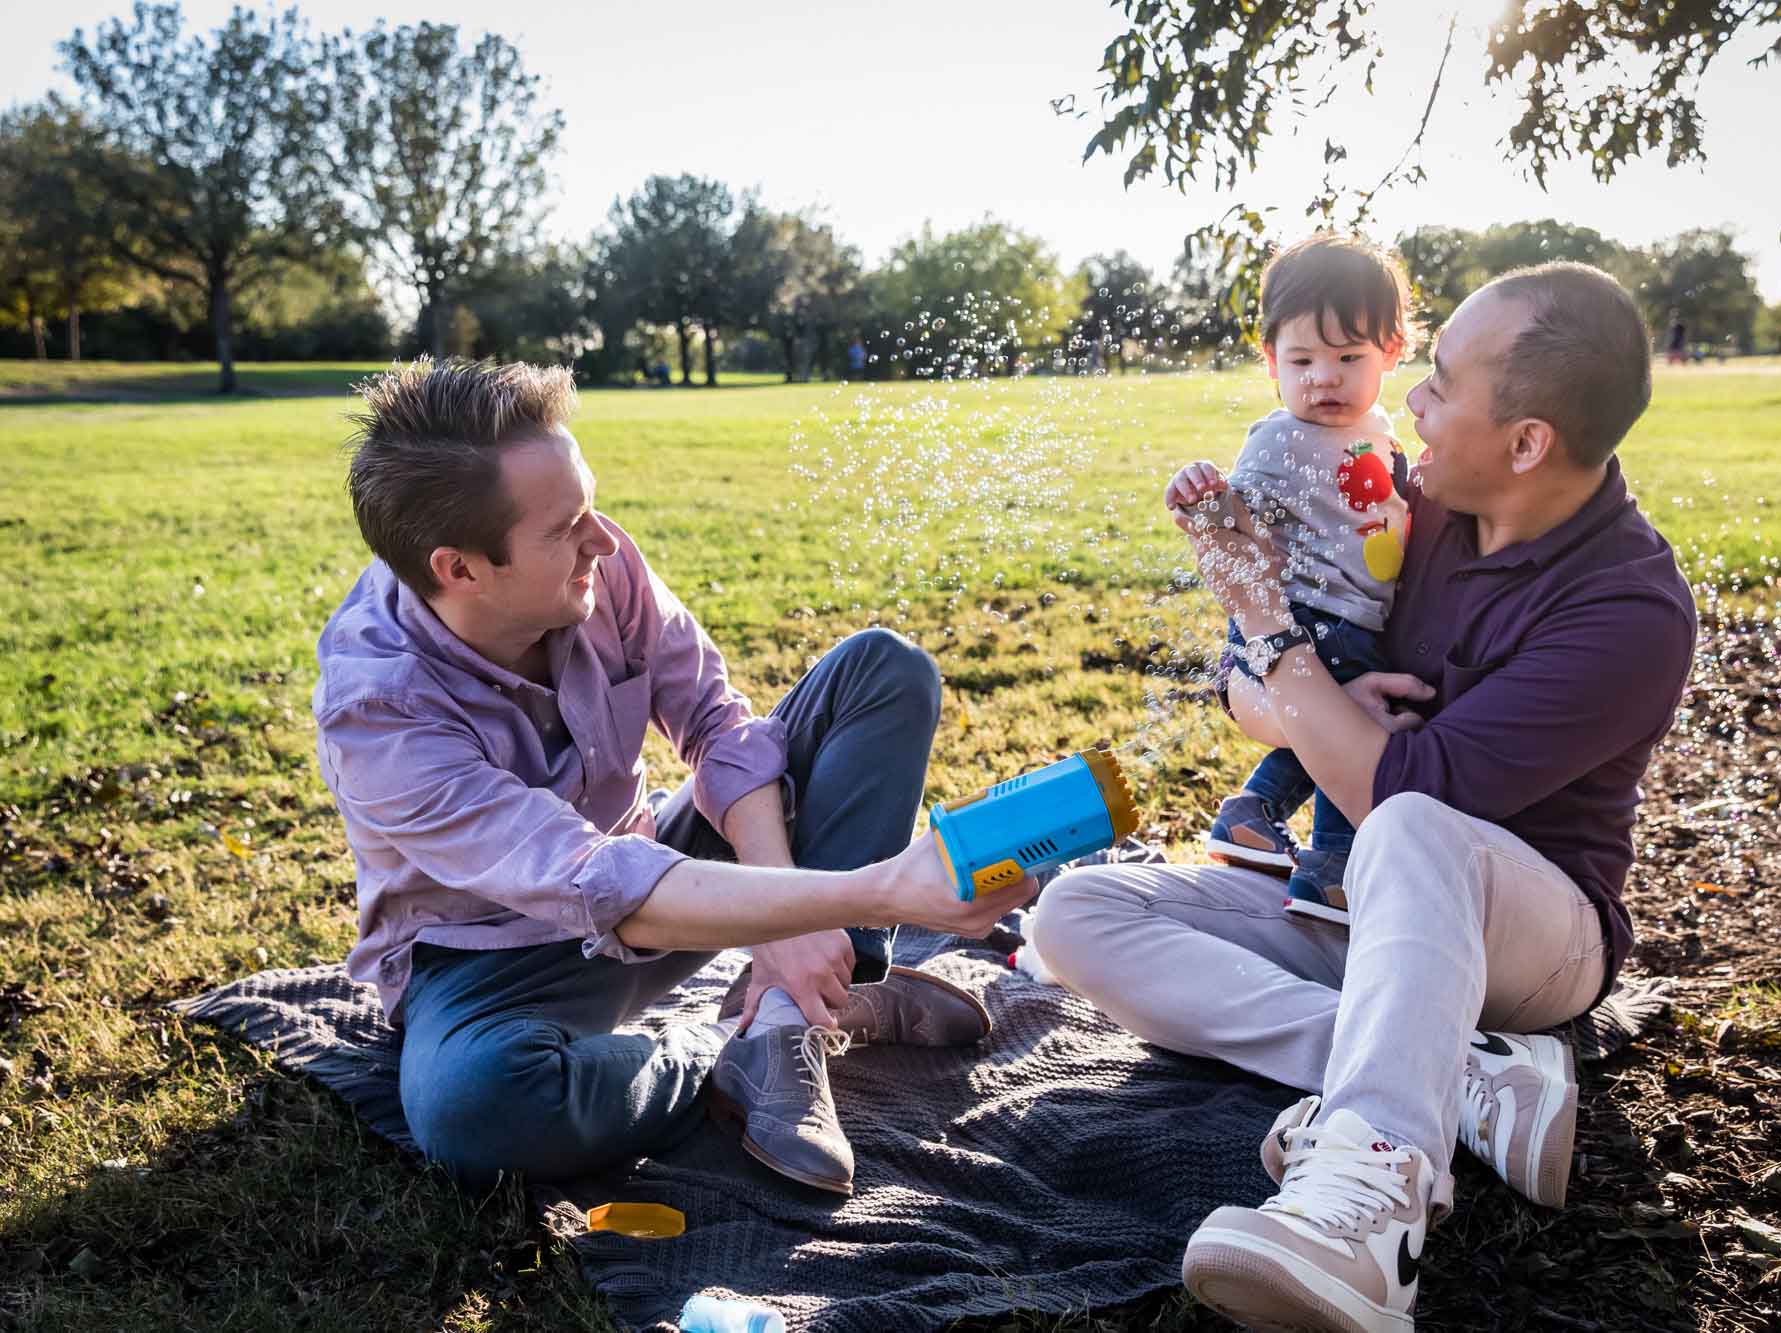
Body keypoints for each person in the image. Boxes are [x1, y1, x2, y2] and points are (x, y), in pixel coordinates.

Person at [1036, 263, 1695, 1331]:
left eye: (1437, 379)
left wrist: (1264, 623)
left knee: (1416, 827)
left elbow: (1392, 786)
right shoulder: (1411, 502)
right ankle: (1470, 1083)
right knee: (1077, 913)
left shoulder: (1628, 609)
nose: (1411, 401)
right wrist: (1275, 652)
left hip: (1532, 938)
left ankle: (1369, 1204)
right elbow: (1247, 694)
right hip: (1355, 905)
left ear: (1526, 441)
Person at [313, 358, 1035, 1194]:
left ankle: (794, 1013)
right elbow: (590, 878)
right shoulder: (378, 709)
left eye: (590, 506)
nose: (607, 542)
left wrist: (781, 911)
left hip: (657, 875)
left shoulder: (597, 564)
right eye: (566, 528)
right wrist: (879, 892)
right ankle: (732, 1052)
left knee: (882, 670)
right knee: (478, 1110)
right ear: (461, 568)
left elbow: (719, 725)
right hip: (491, 960)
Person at [1165, 234, 1413, 921]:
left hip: (1353, 615)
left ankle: (1252, 812)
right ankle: (1332, 867)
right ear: (1272, 361)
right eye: (1302, 360)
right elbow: (1239, 519)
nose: (1324, 378)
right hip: (1308, 616)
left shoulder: (1380, 429)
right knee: (1342, 729)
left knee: (1328, 730)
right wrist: (1205, 496)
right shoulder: (1280, 439)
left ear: (1392, 352)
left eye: (1348, 358)